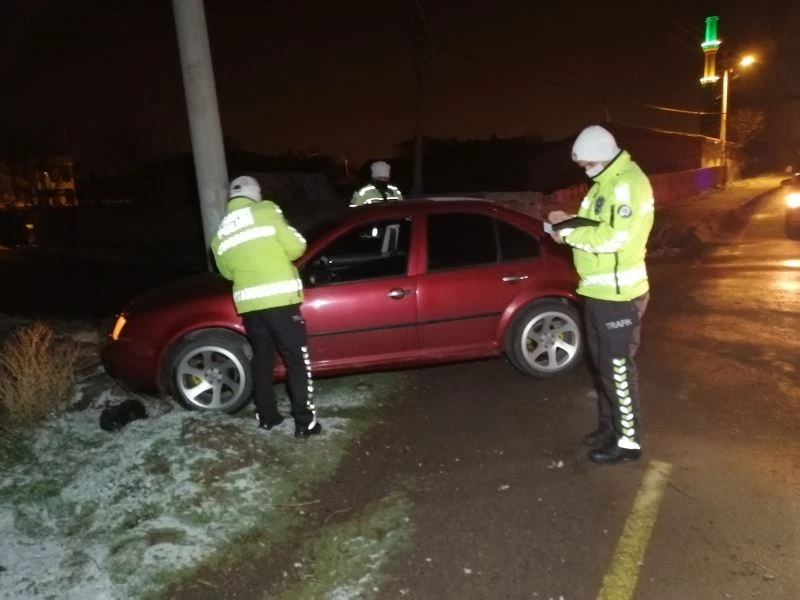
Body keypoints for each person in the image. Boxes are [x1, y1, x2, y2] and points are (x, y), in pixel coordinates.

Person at [547, 125, 654, 464]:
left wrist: (568, 235)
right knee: (603, 367)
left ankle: (628, 442)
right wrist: (568, 220)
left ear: (602, 156)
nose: (583, 170)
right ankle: (610, 428)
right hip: (598, 289)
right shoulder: (605, 182)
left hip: (618, 295)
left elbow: (614, 238)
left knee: (618, 369)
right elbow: (594, 223)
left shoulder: (626, 184)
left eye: (586, 163)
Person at [211, 175, 321, 438]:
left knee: (262, 360)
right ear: (255, 193)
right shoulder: (266, 210)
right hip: (280, 301)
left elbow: (226, 272)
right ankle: (305, 423)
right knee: (297, 360)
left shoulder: (220, 232)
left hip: (250, 306)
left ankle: (267, 417)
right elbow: (297, 247)